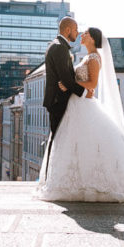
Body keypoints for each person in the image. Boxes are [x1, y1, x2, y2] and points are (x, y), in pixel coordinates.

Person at [36, 26, 124, 202]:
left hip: (84, 104)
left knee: (88, 143)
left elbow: (92, 83)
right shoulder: (87, 57)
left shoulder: (94, 58)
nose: (82, 35)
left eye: (86, 33)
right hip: (77, 103)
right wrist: (71, 83)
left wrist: (72, 83)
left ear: (93, 39)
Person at [42, 16, 87, 177]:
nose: (77, 33)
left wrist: (68, 84)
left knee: (58, 140)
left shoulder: (56, 45)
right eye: (75, 29)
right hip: (58, 100)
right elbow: (66, 78)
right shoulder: (60, 47)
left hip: (57, 99)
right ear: (67, 30)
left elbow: (65, 79)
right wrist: (84, 92)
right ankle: (52, 178)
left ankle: (54, 177)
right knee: (58, 141)